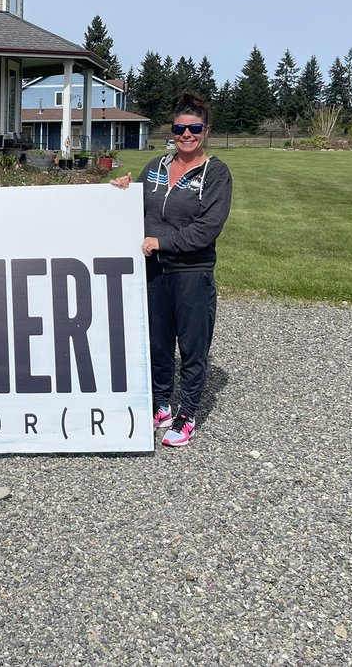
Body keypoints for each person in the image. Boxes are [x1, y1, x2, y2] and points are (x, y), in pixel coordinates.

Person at [111, 92, 232, 448]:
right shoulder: (156, 167)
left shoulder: (215, 173)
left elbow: (207, 228)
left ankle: (188, 413)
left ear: (206, 130)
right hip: (153, 272)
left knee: (193, 347)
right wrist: (122, 190)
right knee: (158, 343)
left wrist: (163, 243)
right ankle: (162, 404)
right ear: (173, 129)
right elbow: (137, 207)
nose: (187, 135)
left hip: (191, 273)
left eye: (194, 128)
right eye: (180, 128)